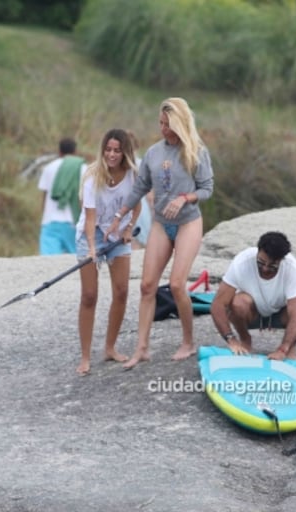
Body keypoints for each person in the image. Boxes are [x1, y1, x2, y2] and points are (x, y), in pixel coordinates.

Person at [106, 97, 214, 368]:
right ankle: (142, 348)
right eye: (161, 123)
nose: (163, 128)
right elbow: (140, 187)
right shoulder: (154, 153)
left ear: (180, 123)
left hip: (188, 222)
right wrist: (119, 216)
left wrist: (185, 198)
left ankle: (188, 342)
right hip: (160, 224)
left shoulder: (197, 151)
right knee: (146, 286)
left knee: (177, 284)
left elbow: (207, 189)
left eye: (167, 124)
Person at [75, 129, 141, 375]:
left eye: (117, 150)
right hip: (90, 236)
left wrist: (129, 230)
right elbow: (90, 217)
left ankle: (110, 348)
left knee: (122, 291)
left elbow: (137, 205)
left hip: (118, 236)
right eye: (108, 149)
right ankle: (84, 357)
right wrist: (92, 248)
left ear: (125, 152)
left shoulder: (133, 175)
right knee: (89, 295)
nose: (112, 154)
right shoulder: (93, 175)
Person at [210, 231, 296, 360]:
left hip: (281, 313)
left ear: (282, 260)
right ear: (257, 251)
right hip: (251, 313)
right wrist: (231, 339)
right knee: (237, 303)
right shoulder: (242, 261)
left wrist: (282, 349)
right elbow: (218, 305)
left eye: (272, 266)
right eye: (261, 263)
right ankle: (245, 338)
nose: (265, 269)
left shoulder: (293, 268)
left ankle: (290, 346)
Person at [37, 137, 86, 255]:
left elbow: (45, 197)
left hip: (50, 223)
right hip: (73, 222)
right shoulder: (82, 168)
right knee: (77, 262)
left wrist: (44, 217)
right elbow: (85, 198)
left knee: (49, 263)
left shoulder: (48, 168)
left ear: (59, 152)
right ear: (75, 152)